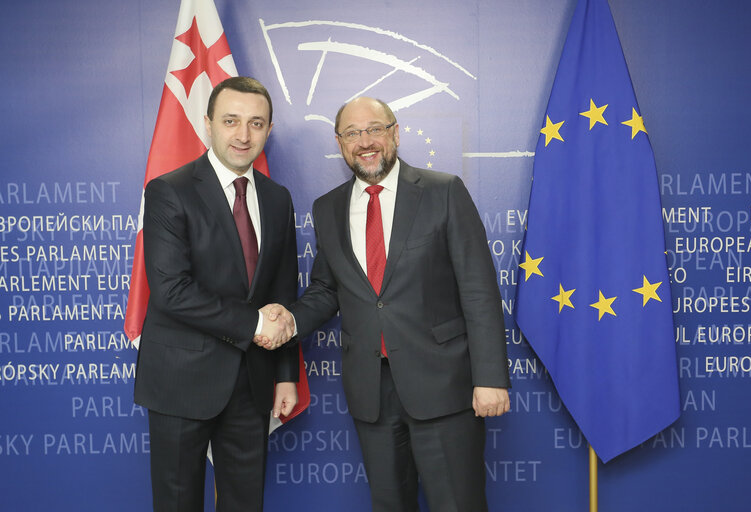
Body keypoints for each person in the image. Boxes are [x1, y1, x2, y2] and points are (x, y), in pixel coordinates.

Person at [263, 97, 511, 511]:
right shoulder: (327, 208)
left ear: (395, 133)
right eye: (353, 133)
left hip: (444, 386)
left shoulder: (443, 190)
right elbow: (326, 291)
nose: (365, 141)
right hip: (370, 392)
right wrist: (288, 317)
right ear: (340, 143)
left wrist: (490, 377)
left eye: (375, 129)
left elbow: (479, 290)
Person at [134, 76, 299, 512]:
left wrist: (286, 372)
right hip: (180, 380)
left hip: (253, 380)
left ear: (268, 129)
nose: (243, 135)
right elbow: (171, 291)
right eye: (231, 121)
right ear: (208, 124)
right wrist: (255, 323)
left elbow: (282, 292)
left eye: (256, 123)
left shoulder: (278, 199)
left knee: (246, 503)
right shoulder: (170, 190)